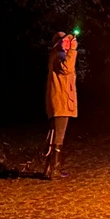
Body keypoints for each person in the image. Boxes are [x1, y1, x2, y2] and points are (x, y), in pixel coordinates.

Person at [44, 31, 78, 178]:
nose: (67, 43)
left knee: (54, 136)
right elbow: (66, 69)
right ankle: (54, 171)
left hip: (61, 102)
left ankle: (49, 170)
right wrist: (73, 52)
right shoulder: (59, 57)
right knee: (58, 137)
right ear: (57, 43)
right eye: (64, 41)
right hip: (61, 103)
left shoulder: (57, 56)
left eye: (68, 41)